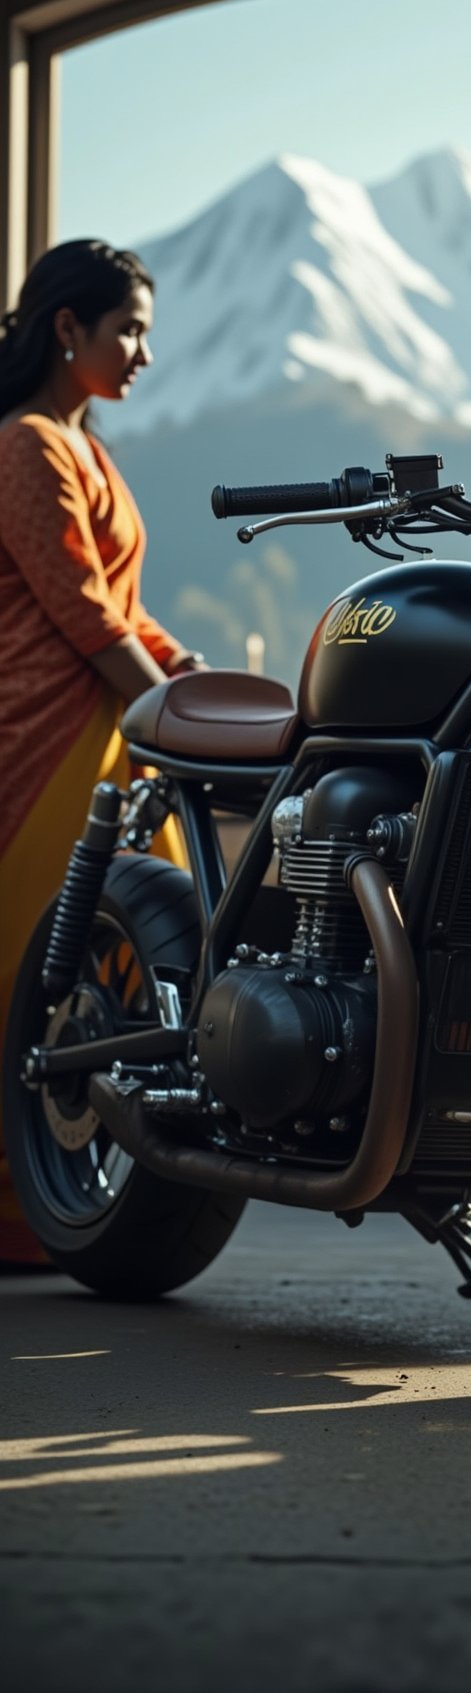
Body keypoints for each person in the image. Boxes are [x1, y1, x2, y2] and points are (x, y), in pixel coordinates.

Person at [0, 239, 202, 1266]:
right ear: (66, 328)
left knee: (120, 966)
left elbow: (123, 611)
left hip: (107, 727)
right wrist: (173, 705)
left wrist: (192, 673)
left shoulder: (84, 446)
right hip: (41, 739)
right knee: (35, 967)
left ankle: (69, 1198)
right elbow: (81, 614)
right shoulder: (26, 444)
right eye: (127, 330)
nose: (142, 354)